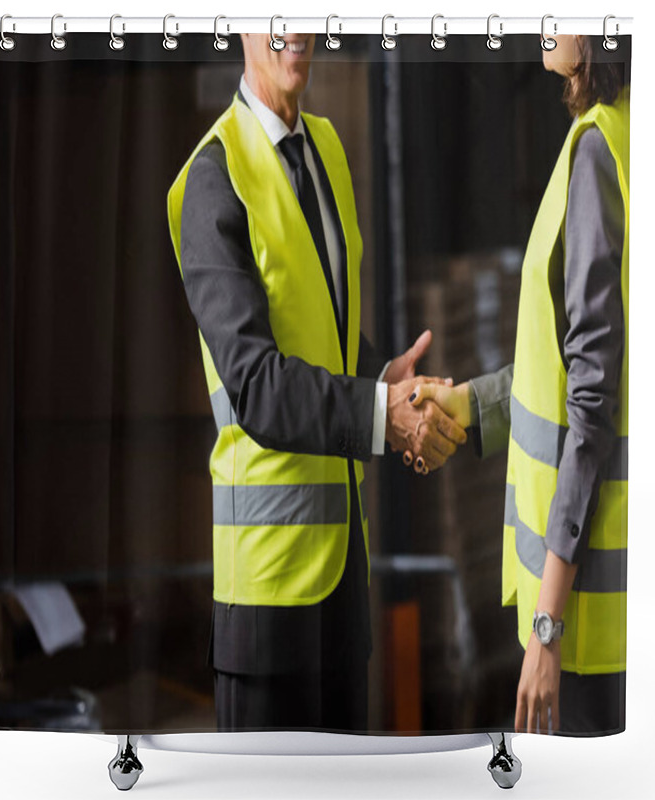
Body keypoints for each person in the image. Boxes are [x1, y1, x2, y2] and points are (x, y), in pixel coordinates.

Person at [166, 32, 466, 733]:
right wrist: (377, 412)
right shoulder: (213, 178)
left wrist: (379, 377)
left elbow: (316, 330)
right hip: (266, 600)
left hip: (341, 591)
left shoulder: (327, 147)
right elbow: (257, 384)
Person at [410, 33, 629, 735]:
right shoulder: (626, 137)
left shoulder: (597, 154)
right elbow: (562, 369)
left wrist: (547, 624)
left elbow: (592, 403)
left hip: (589, 617)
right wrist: (468, 406)